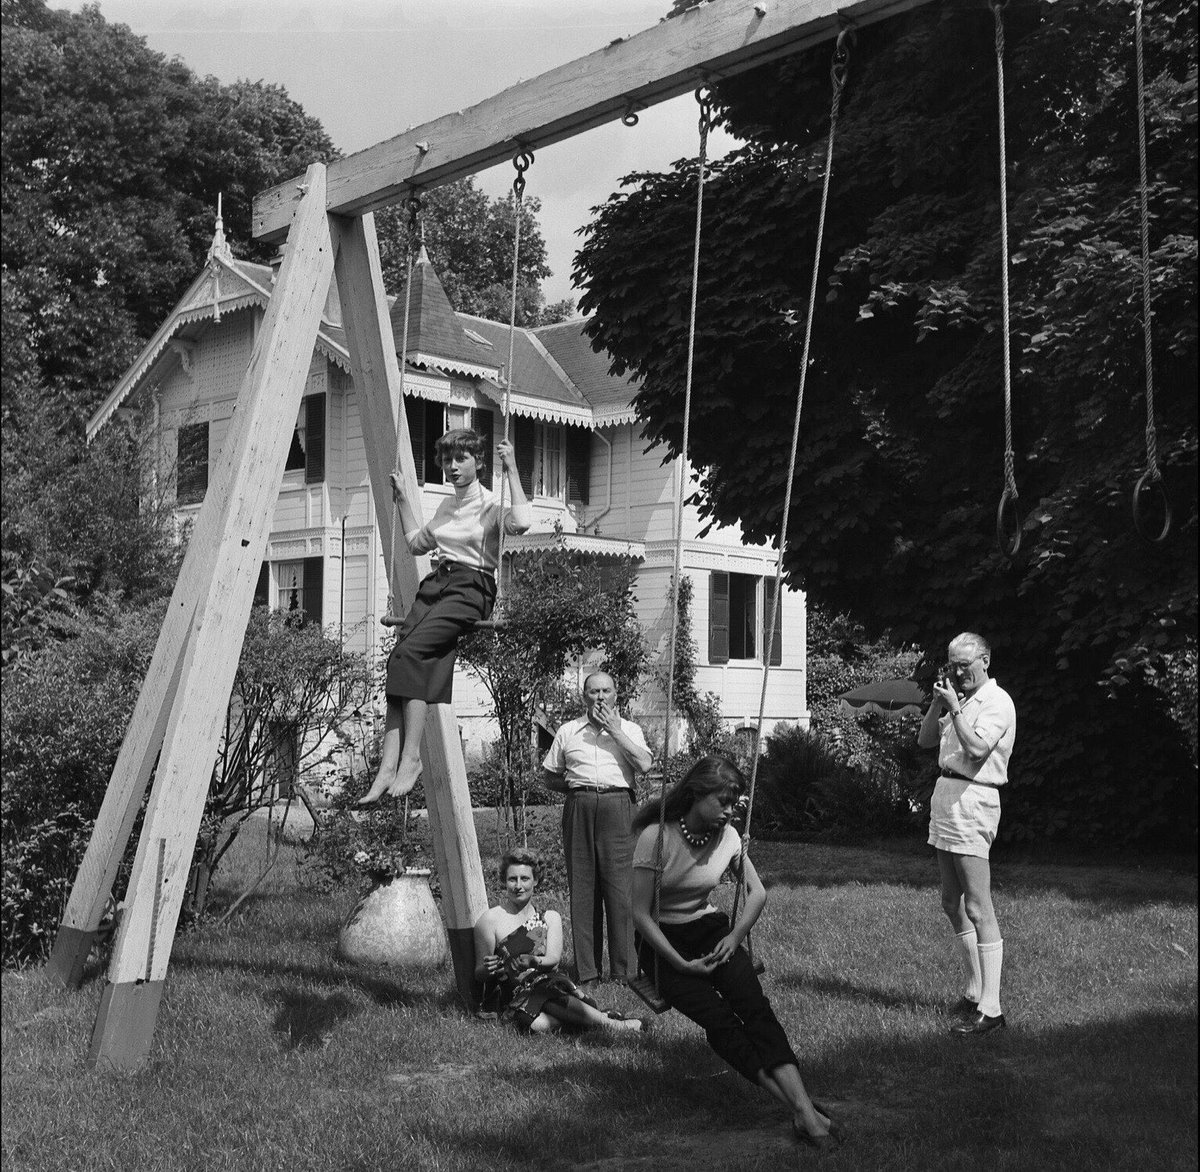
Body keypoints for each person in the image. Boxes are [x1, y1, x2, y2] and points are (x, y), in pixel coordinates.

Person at [630, 756, 841, 1149]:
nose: (730, 811)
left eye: (735, 802)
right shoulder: (656, 837)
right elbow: (640, 913)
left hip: (711, 931)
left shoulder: (728, 837)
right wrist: (678, 963)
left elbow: (757, 893)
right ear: (696, 795)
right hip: (662, 944)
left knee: (755, 1009)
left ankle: (805, 1112)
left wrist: (735, 936)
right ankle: (803, 1110)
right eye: (723, 802)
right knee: (721, 1022)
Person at [358, 429, 531, 805]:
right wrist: (403, 500)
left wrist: (513, 468)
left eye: (462, 459)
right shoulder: (445, 506)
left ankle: (411, 757)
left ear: (479, 463)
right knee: (400, 659)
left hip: (472, 589)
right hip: (438, 584)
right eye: (448, 460)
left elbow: (521, 522)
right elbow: (417, 543)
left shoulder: (489, 504)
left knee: (410, 653)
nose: (452, 467)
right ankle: (388, 766)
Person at [917, 631, 1017, 1037]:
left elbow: (976, 751)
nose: (958, 672)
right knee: (950, 900)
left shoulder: (997, 701)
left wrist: (956, 709)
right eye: (953, 665)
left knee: (978, 906)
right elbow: (925, 741)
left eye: (965, 664)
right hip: (947, 796)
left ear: (986, 661)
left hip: (975, 799)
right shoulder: (961, 699)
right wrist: (938, 704)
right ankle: (975, 990)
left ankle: (992, 1009)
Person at [542, 671, 652, 988]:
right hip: (580, 807)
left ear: (617, 694)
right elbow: (550, 776)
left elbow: (644, 765)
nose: (599, 697)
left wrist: (615, 731)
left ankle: (624, 971)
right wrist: (580, 790)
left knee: (621, 891)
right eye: (593, 691)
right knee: (583, 889)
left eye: (606, 690)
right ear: (584, 696)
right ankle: (588, 972)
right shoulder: (568, 730)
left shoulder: (630, 729)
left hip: (620, 808)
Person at [473, 847, 645, 1035]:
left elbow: (553, 960)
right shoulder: (489, 920)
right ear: (504, 882)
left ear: (535, 880)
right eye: (512, 879)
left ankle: (615, 1026)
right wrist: (487, 969)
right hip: (512, 996)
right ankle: (597, 1019)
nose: (518, 886)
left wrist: (534, 961)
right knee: (535, 1024)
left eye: (525, 878)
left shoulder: (549, 918)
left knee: (543, 991)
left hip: (548, 985)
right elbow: (479, 974)